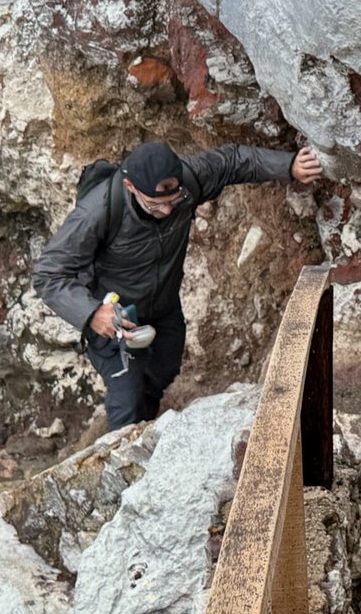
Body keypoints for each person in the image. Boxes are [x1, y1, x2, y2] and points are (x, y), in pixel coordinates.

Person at [33, 140, 322, 430]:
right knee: (128, 401)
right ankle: (125, 462)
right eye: (156, 204)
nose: (168, 211)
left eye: (174, 200)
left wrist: (288, 165)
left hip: (163, 305)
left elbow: (233, 160)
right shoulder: (98, 211)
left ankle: (146, 428)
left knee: (164, 371)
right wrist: (92, 314)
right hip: (113, 315)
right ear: (131, 187)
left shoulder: (188, 180)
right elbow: (48, 274)